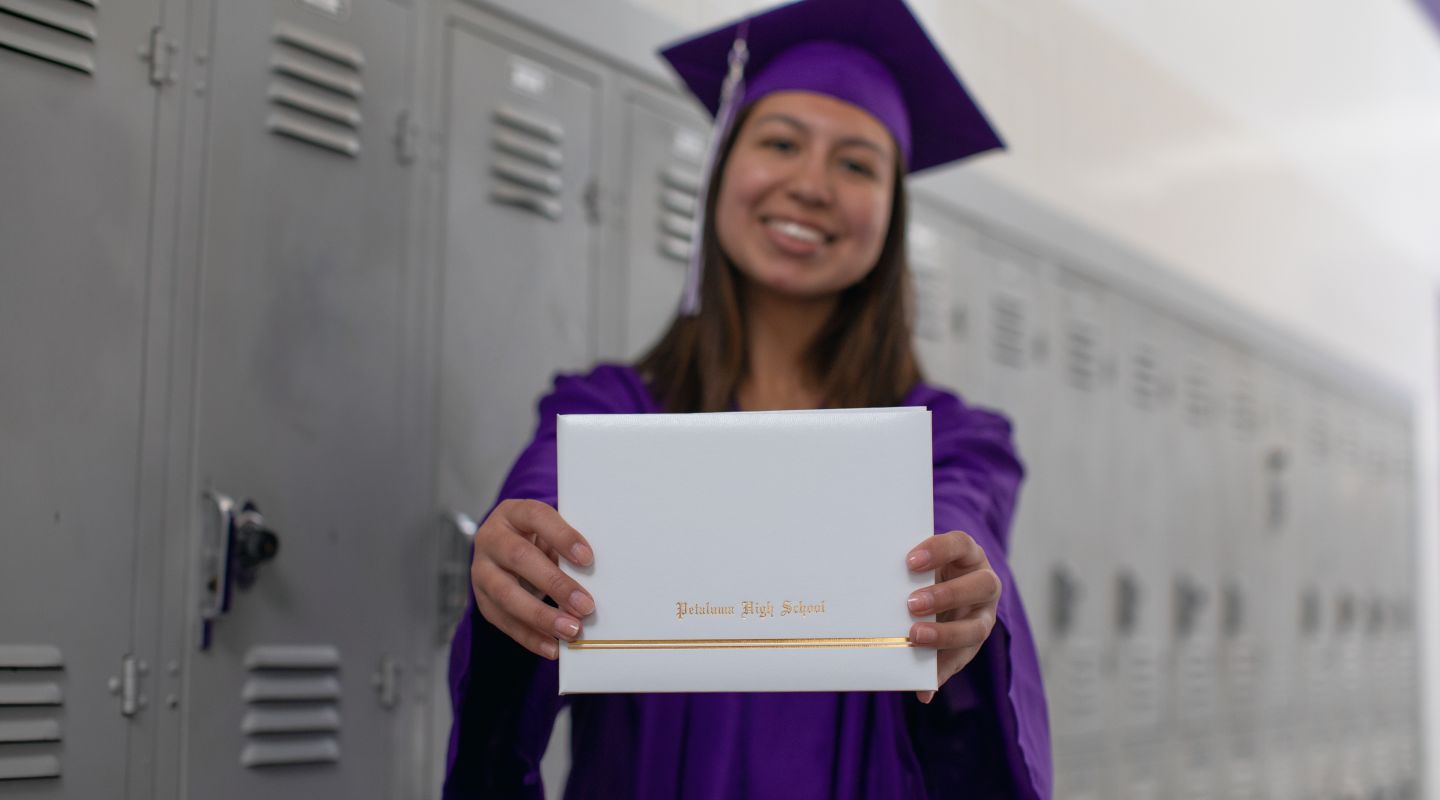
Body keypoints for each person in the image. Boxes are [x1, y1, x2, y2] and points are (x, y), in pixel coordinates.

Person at [444, 0, 1051, 797]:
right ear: (722, 168)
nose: (810, 185)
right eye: (780, 142)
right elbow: (549, 495)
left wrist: (968, 595)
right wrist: (515, 561)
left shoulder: (950, 440)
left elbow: (961, 519)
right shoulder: (610, 412)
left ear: (892, 219)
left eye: (857, 164)